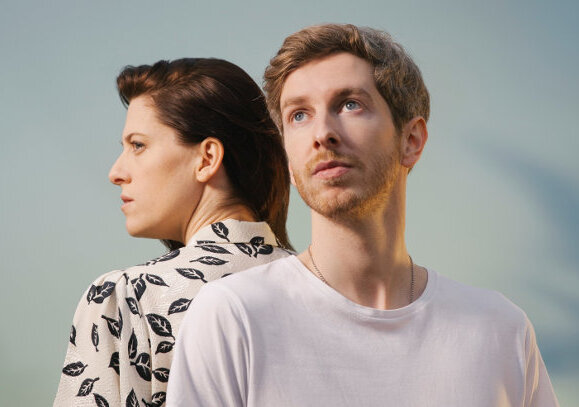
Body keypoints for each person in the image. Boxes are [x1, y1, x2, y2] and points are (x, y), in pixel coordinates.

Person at [166, 24, 559, 406]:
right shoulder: (233, 316)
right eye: (299, 115)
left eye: (350, 104)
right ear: (287, 158)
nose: (322, 132)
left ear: (411, 140)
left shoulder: (500, 330)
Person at [54, 58, 293, 407]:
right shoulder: (324, 288)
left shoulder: (128, 300)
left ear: (207, 158)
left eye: (138, 145)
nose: (116, 172)